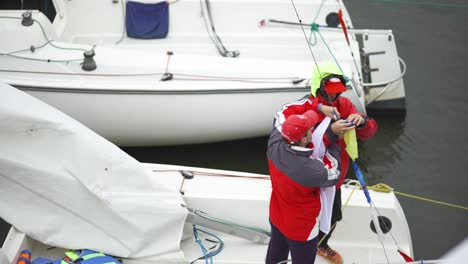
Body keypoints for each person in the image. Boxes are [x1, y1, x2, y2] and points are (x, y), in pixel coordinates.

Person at [274, 61, 378, 264]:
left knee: (332, 216)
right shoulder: (305, 108)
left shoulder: (345, 105)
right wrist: (330, 130)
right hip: (309, 178)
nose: (334, 97)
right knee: (308, 218)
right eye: (329, 92)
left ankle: (322, 244)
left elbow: (370, 130)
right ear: (317, 87)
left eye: (337, 92)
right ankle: (302, 245)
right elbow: (301, 143)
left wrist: (362, 122)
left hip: (334, 179)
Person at [266, 110, 343, 264]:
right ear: (303, 139)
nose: (313, 130)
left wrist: (320, 106)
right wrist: (335, 141)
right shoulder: (312, 170)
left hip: (277, 216)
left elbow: (281, 112)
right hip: (302, 230)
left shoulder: (274, 143)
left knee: (275, 258)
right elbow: (335, 174)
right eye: (310, 129)